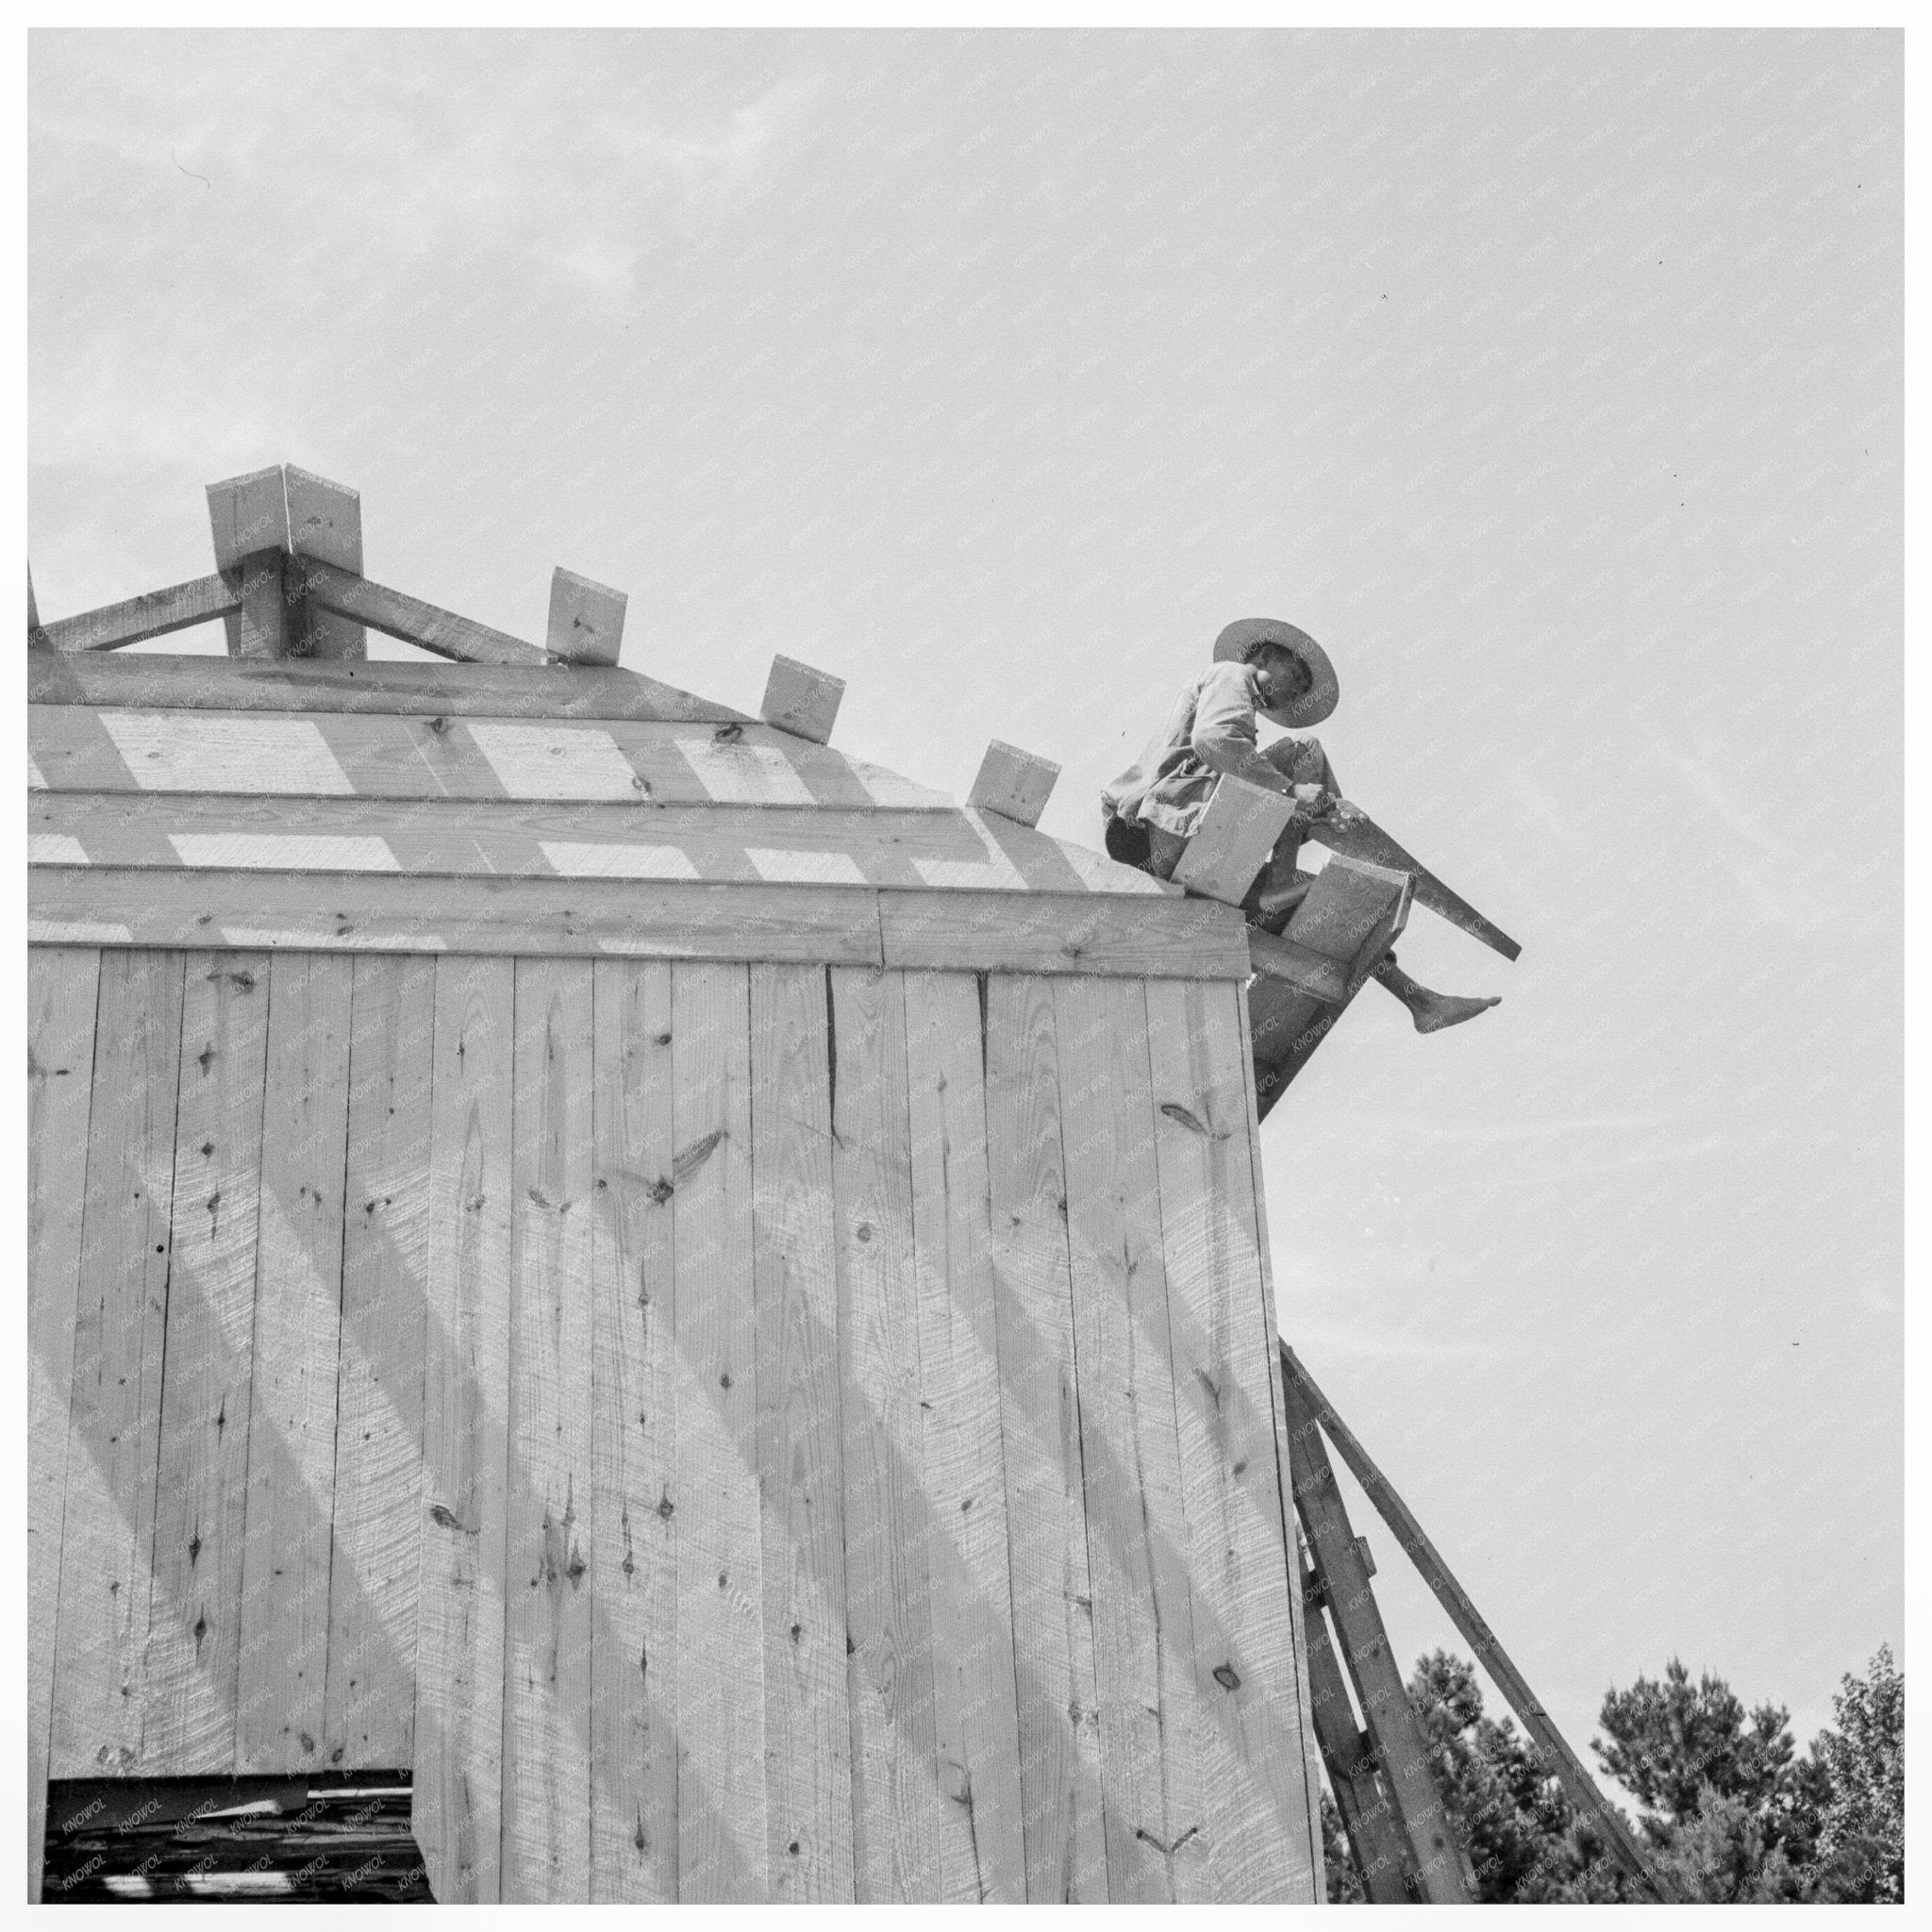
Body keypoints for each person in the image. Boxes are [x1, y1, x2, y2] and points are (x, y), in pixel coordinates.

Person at [1103, 618, 1499, 1035]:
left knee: (1337, 908)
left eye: (1306, 686)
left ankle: (1419, 1001)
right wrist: (1292, 792)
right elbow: (1214, 740)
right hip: (1162, 825)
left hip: (1188, 853)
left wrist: (1312, 803)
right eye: (1298, 675)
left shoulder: (1244, 727)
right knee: (1304, 750)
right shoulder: (1230, 675)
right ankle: (1285, 873)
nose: (1299, 690)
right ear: (1266, 654)